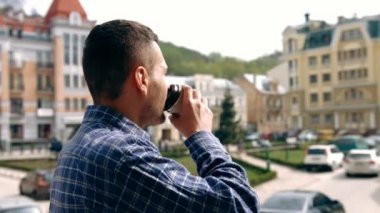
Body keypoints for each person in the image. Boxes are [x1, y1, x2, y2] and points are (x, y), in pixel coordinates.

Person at [50, 19, 260, 212]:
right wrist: (201, 134)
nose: (167, 86)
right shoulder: (124, 157)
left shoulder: (73, 148)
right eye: (163, 73)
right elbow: (240, 203)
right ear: (142, 78)